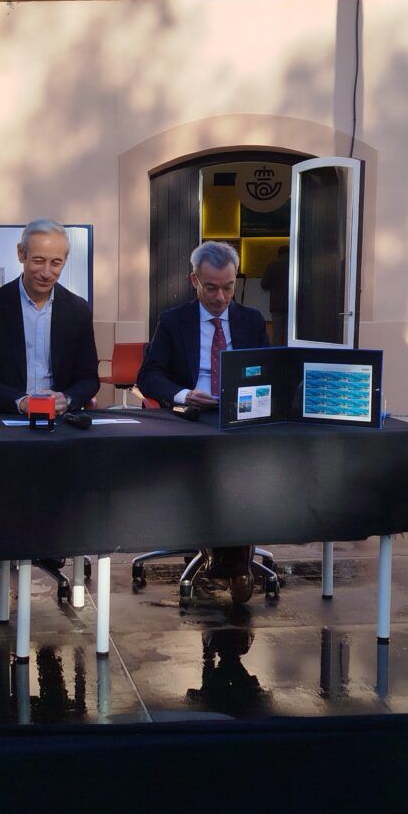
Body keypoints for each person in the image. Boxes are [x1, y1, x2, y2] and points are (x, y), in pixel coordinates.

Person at [136, 240, 269, 602]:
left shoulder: (251, 321)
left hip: (239, 418)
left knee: (245, 467)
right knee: (212, 464)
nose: (220, 297)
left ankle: (229, 558)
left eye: (228, 287)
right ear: (193, 281)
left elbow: (269, 372)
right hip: (191, 417)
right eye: (210, 287)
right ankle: (230, 560)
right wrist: (183, 394)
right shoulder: (173, 321)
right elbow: (148, 376)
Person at [0, 219, 99, 415]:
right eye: (38, 261)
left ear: (65, 261)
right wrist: (21, 402)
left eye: (56, 263)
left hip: (60, 419)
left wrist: (67, 399)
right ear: (21, 254)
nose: (46, 273)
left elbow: (89, 378)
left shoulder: (78, 310)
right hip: (7, 417)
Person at [261, 245, 290, 346]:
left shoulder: (272, 265)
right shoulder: (294, 264)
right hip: (291, 305)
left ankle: (275, 354)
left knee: (277, 334)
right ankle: (289, 354)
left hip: (276, 304)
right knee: (289, 334)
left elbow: (264, 284)